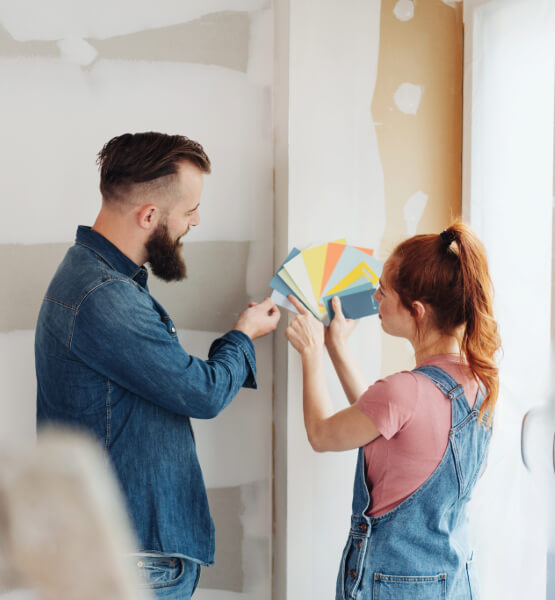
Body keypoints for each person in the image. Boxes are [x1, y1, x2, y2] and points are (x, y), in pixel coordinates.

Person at [35, 131, 280, 600]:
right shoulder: (105, 297)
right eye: (189, 211)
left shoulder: (88, 276)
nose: (196, 221)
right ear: (149, 215)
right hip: (132, 558)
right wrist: (244, 335)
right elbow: (201, 392)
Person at [285, 223, 501, 599]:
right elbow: (383, 424)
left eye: (383, 292)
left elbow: (321, 434)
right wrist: (337, 348)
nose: (374, 297)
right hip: (456, 583)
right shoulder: (480, 383)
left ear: (415, 311)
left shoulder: (405, 391)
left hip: (393, 587)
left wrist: (311, 354)